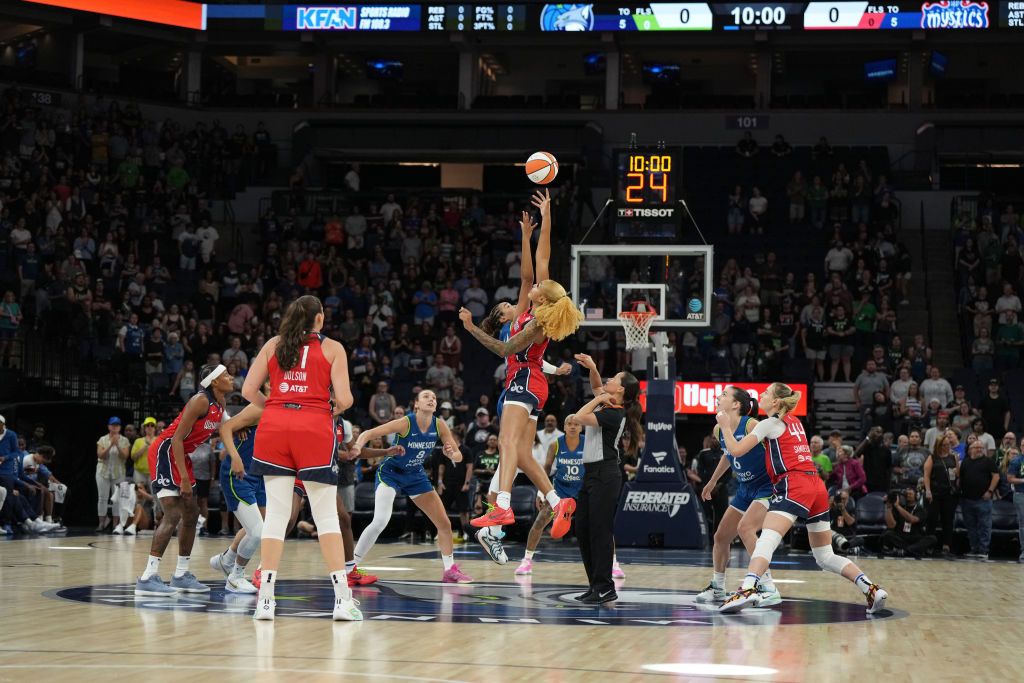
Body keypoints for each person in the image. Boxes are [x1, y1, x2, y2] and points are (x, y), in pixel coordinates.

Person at [460, 191, 581, 543]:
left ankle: (503, 505)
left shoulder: (535, 321)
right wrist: (536, 228)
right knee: (525, 453)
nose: (531, 286)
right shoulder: (533, 306)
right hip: (535, 383)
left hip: (525, 378)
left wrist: (469, 329)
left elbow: (504, 348)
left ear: (541, 297)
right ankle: (559, 502)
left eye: (538, 287)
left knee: (506, 444)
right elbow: (537, 264)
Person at [718, 382, 888, 614]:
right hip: (816, 486)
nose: (762, 395)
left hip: (794, 483)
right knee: (825, 556)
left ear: (776, 402)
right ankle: (871, 589)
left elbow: (736, 450)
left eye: (767, 393)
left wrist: (726, 427)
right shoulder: (795, 422)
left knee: (766, 538)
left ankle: (749, 588)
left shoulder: (770, 423)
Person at [241, 294, 361, 621]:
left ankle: (265, 600)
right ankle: (342, 601)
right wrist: (329, 407)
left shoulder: (273, 344)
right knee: (325, 518)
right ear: (319, 319)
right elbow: (346, 398)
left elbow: (248, 392)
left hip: (274, 429)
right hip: (313, 429)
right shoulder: (333, 347)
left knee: (277, 517)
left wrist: (277, 408)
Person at [349, 389, 472, 583]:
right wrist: (357, 446)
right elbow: (368, 432)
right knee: (381, 520)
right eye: (426, 397)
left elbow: (459, 456)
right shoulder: (405, 423)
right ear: (416, 404)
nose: (431, 399)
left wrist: (451, 455)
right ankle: (351, 568)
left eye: (434, 398)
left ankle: (449, 570)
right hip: (391, 473)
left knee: (444, 524)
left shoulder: (439, 425)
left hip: (415, 475)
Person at [135, 363, 233, 596]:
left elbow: (229, 425)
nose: (230, 377)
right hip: (166, 452)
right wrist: (186, 480)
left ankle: (181, 574)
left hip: (181, 457)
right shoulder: (200, 400)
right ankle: (148, 577)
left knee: (191, 514)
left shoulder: (221, 404)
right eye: (225, 375)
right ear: (214, 381)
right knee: (174, 514)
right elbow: (177, 440)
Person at [695, 386, 781, 606]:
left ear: (736, 405)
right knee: (721, 536)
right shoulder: (718, 429)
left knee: (746, 529)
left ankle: (767, 585)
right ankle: (717, 586)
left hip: (766, 487)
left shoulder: (751, 424)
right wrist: (712, 481)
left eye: (724, 395)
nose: (718, 397)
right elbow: (728, 454)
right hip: (745, 488)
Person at [565, 359, 642, 604]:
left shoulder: (612, 412)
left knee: (600, 531)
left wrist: (598, 399)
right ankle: (595, 585)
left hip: (606, 474)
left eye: (614, 379)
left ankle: (606, 587)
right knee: (584, 530)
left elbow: (577, 417)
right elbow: (597, 385)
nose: (608, 380)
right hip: (592, 474)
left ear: (620, 390)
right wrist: (594, 368)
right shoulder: (607, 403)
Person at [515, 415, 584, 577]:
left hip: (581, 492)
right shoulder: (556, 444)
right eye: (569, 424)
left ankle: (613, 563)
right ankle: (526, 561)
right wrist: (541, 492)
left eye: (576, 424)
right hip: (559, 491)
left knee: (599, 525)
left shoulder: (588, 444)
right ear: (564, 427)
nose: (573, 427)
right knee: (539, 522)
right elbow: (545, 469)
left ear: (581, 427)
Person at [958, 440, 999, 560]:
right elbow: (961, 478)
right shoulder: (965, 462)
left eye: (981, 447)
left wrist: (990, 491)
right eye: (976, 447)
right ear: (970, 449)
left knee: (984, 526)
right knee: (971, 527)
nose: (979, 449)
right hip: (967, 500)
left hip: (983, 500)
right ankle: (974, 549)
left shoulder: (988, 461)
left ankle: (984, 550)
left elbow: (996, 477)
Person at [96, 417, 130, 533]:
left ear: (120, 427)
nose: (115, 427)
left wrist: (117, 445)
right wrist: (111, 445)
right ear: (109, 426)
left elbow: (125, 456)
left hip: (119, 472)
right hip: (103, 472)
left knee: (117, 499)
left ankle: (115, 525)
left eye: (117, 425)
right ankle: (101, 523)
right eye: (113, 425)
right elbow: (100, 455)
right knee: (102, 498)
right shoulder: (103, 439)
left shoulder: (124, 440)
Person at [882, 487, 935, 558]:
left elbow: (912, 520)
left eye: (910, 494)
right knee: (887, 534)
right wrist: (888, 508)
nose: (908, 495)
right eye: (906, 494)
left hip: (915, 538)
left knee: (932, 538)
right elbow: (891, 525)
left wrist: (897, 506)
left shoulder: (921, 509)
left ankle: (904, 551)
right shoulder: (899, 507)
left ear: (916, 496)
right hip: (901, 537)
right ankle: (912, 550)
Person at [1008, 448, 1024, 562]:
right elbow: (1010, 478)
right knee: (1023, 523)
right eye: (1023, 445)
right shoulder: (1016, 461)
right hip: (1020, 494)